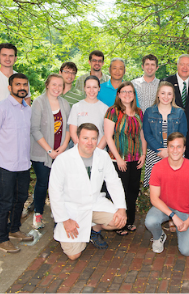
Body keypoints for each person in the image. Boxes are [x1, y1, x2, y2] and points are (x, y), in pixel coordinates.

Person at [49, 123, 127, 260]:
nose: (90, 143)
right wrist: (65, 220)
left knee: (118, 221)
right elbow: (55, 193)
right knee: (74, 255)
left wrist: (121, 208)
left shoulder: (103, 156)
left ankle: (93, 227)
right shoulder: (63, 160)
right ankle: (61, 224)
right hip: (72, 209)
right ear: (77, 138)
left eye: (93, 138)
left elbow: (113, 182)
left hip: (95, 203)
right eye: (85, 138)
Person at [145, 132, 189, 256]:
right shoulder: (158, 167)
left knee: (187, 251)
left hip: (185, 210)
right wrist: (173, 216)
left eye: (179, 146)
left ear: (184, 149)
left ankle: (183, 228)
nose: (175, 150)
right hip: (165, 207)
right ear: (167, 148)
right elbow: (154, 198)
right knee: (150, 221)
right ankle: (158, 236)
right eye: (172, 146)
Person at [104, 82, 146, 235]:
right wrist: (118, 158)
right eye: (124, 92)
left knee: (132, 191)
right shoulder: (112, 111)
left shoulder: (139, 112)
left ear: (134, 95)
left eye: (130, 92)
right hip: (118, 160)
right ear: (119, 94)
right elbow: (108, 137)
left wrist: (143, 154)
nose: (127, 94)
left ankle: (129, 221)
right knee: (119, 192)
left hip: (135, 158)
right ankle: (118, 224)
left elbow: (142, 135)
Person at [30, 74, 71, 229]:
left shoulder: (65, 103)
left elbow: (68, 127)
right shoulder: (39, 103)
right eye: (54, 84)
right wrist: (49, 150)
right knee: (43, 182)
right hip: (41, 153)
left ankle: (58, 213)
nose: (57, 88)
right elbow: (35, 129)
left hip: (61, 152)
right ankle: (38, 214)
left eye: (60, 85)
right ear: (47, 85)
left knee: (59, 184)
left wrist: (64, 146)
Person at [0, 73, 33, 253]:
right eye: (18, 84)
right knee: (5, 202)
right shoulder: (3, 107)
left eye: (25, 84)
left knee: (21, 199)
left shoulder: (27, 109)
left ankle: (14, 230)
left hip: (23, 164)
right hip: (6, 164)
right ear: (9, 87)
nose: (22, 87)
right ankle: (2, 238)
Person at [143, 81, 187, 188]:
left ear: (173, 96)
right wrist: (161, 150)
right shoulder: (149, 112)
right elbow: (147, 134)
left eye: (169, 94)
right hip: (155, 153)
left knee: (174, 186)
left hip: (175, 153)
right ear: (158, 94)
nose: (166, 97)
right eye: (163, 93)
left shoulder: (180, 113)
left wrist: (170, 151)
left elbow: (182, 135)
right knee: (156, 187)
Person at [162, 54, 189, 159]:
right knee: (169, 159)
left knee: (186, 159)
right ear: (177, 65)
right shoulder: (166, 81)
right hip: (170, 129)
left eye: (188, 65)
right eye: (182, 64)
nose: (185, 67)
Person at [68, 76, 108, 149]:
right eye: (88, 87)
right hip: (79, 151)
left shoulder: (105, 108)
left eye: (95, 87)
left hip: (99, 151)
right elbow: (73, 132)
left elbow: (107, 134)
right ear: (84, 88)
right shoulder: (76, 107)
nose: (91, 90)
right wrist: (82, 149)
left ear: (99, 88)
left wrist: (97, 151)